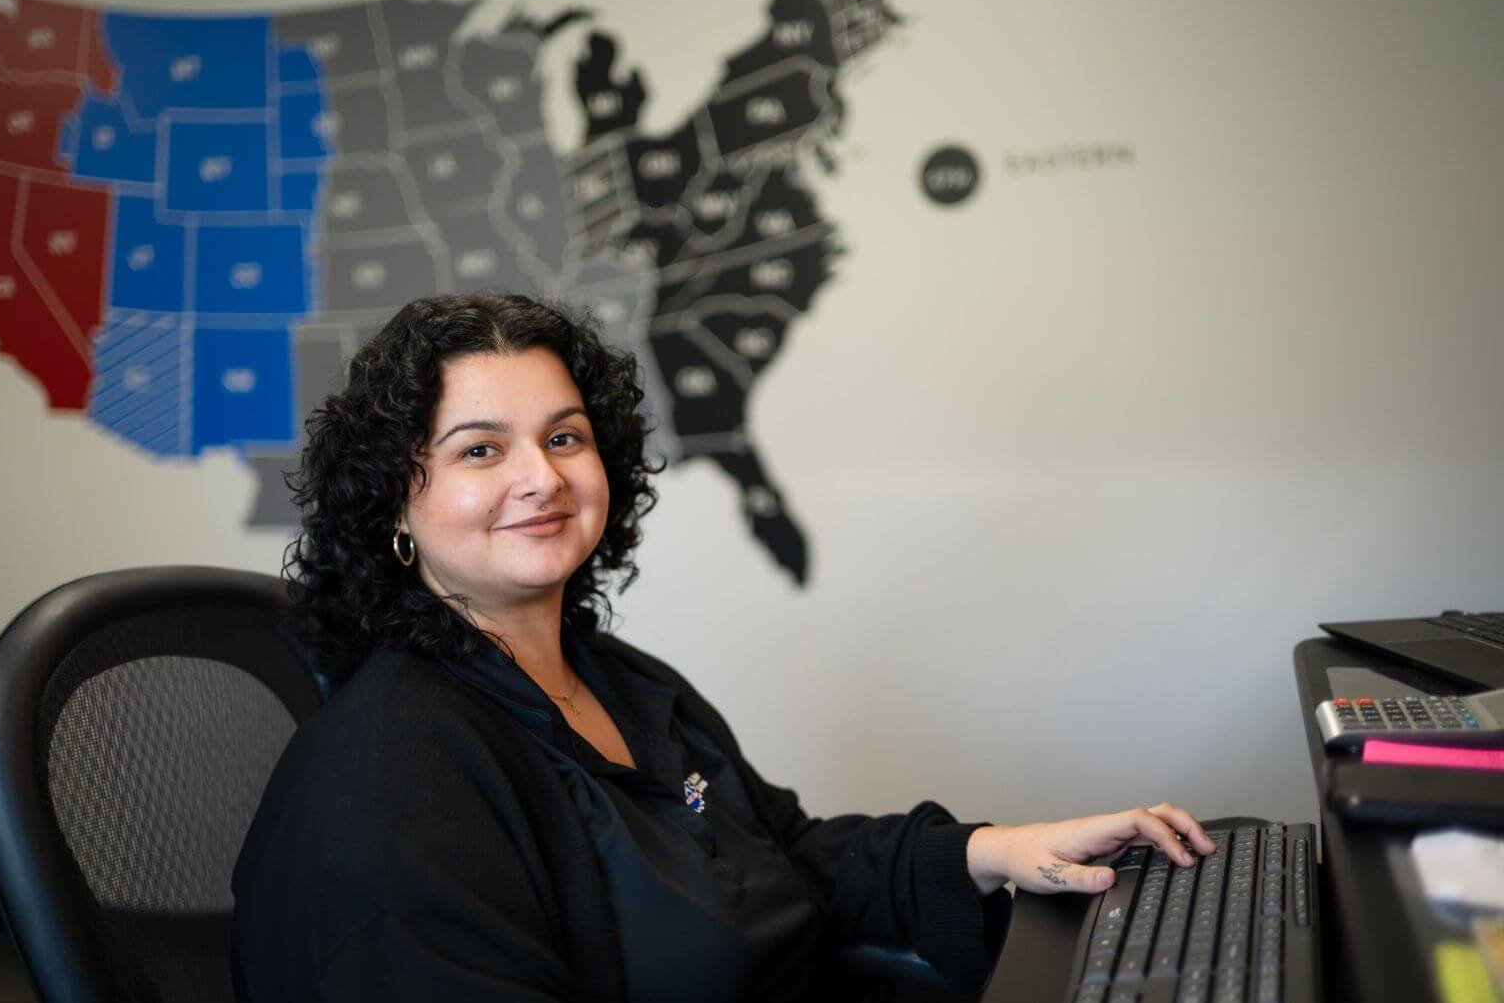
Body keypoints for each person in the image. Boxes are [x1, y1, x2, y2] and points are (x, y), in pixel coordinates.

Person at [230, 291, 1214, 1002]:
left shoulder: (623, 682)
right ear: (396, 502)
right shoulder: (391, 774)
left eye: (566, 437)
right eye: (479, 449)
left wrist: (1002, 851)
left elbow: (780, 855)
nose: (542, 477)